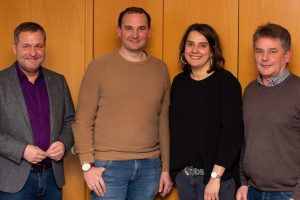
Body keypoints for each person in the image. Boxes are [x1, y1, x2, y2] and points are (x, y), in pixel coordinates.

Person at [72, 7, 172, 200]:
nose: (135, 35)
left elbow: (163, 122)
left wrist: (165, 168)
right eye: (129, 28)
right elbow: (82, 121)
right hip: (108, 167)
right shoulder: (99, 67)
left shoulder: (160, 69)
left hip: (149, 167)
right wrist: (87, 166)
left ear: (149, 32)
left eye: (141, 28)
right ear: (119, 31)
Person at [0, 22, 74, 200]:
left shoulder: (58, 81)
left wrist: (64, 143)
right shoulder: (1, 82)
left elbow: (70, 120)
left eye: (38, 46)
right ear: (14, 48)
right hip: (13, 182)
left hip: (52, 178)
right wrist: (21, 150)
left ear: (44, 47)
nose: (33, 53)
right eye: (26, 46)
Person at [169, 23, 243, 200]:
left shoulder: (226, 83)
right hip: (185, 178)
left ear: (212, 51)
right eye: (190, 44)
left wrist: (215, 177)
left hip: (217, 180)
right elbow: (176, 130)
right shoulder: (179, 83)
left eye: (202, 45)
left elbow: (232, 135)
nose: (195, 50)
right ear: (184, 48)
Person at [236, 23, 300, 200]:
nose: (264, 58)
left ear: (287, 56)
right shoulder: (250, 90)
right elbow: (246, 140)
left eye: (272, 51)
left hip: (287, 194)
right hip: (252, 190)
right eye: (259, 51)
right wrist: (242, 182)